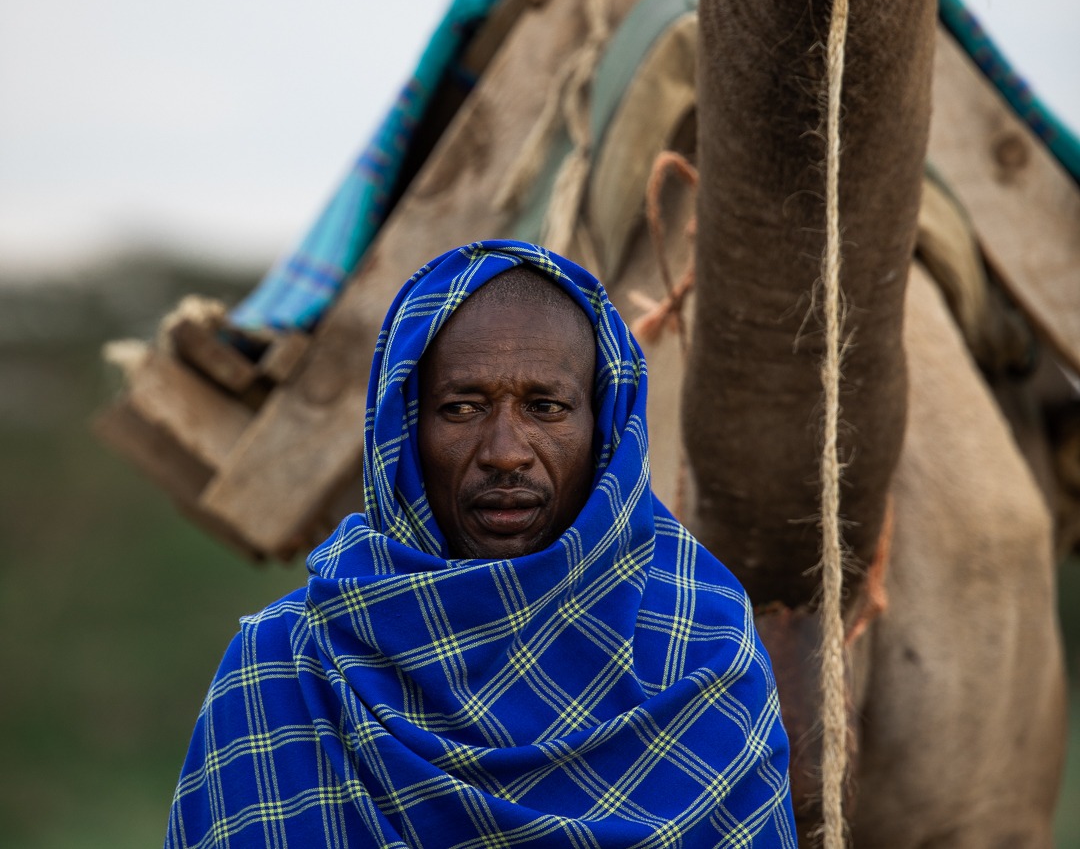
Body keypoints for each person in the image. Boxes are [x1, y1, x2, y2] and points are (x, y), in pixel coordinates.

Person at [167, 240, 795, 847]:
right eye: (463, 408)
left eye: (546, 407)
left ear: (604, 429)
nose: (505, 452)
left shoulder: (702, 652)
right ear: (404, 430)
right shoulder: (290, 666)